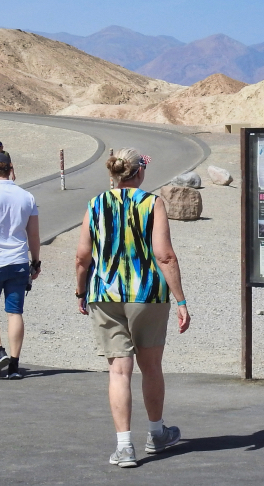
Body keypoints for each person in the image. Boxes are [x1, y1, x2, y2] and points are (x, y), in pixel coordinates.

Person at [75, 148, 191, 468]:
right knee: (150, 366)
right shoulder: (152, 204)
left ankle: (124, 446)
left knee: (118, 370)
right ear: (139, 173)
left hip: (105, 294)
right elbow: (165, 255)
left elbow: (82, 256)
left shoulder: (95, 205)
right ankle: (156, 433)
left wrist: (80, 291)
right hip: (147, 294)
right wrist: (180, 300)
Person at [0, 151, 39, 379]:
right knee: (15, 313)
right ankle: (13, 365)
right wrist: (36, 262)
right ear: (10, 169)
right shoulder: (26, 197)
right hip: (19, 261)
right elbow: (33, 235)